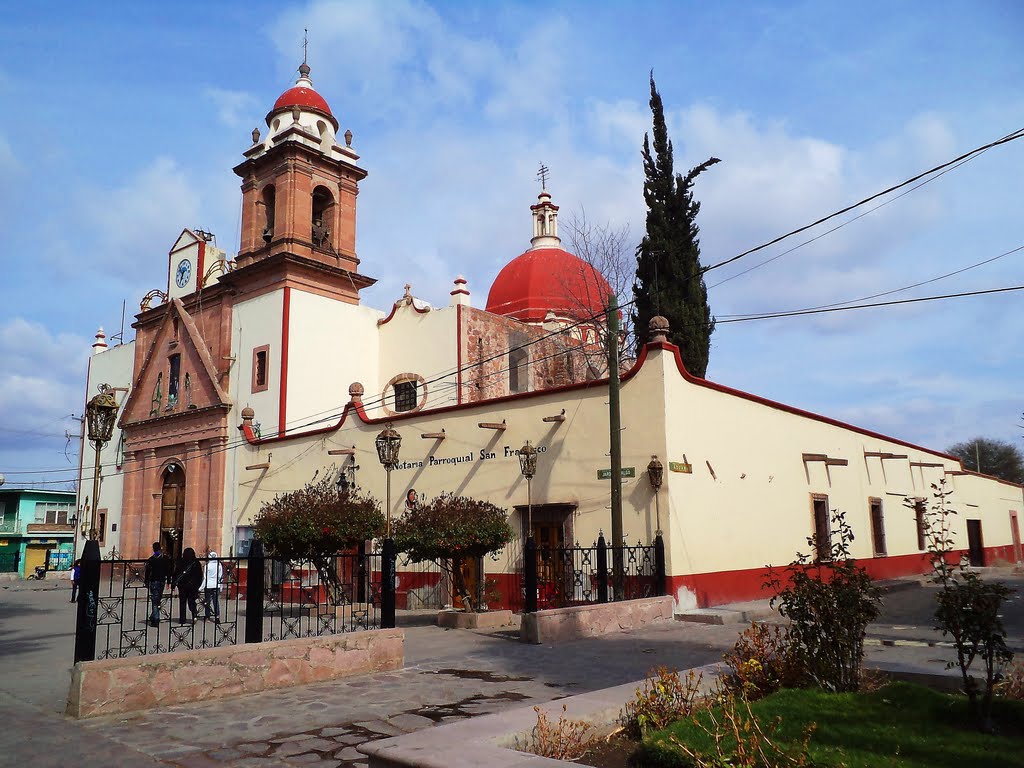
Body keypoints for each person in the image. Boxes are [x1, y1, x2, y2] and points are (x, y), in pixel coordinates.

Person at [143, 542, 171, 627]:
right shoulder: (164, 558)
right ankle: (154, 616)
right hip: (161, 581)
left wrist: (146, 581)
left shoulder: (151, 559)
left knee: (155, 600)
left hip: (154, 581)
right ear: (160, 548)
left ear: (153, 549)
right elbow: (168, 570)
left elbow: (147, 572)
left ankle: (155, 619)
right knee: (157, 599)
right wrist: (169, 581)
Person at [173, 547, 203, 625]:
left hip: (182, 585)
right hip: (192, 586)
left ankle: (182, 619)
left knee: (182, 602)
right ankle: (194, 615)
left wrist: (174, 583)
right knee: (191, 602)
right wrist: (197, 585)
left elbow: (176, 573)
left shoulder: (180, 562)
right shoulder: (196, 562)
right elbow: (200, 576)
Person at [202, 551, 223, 622]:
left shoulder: (207, 566)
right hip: (216, 585)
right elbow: (220, 576)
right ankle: (217, 617)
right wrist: (221, 586)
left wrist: (201, 587)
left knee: (207, 601)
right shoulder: (219, 565)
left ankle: (207, 616)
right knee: (215, 601)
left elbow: (205, 577)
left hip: (208, 585)